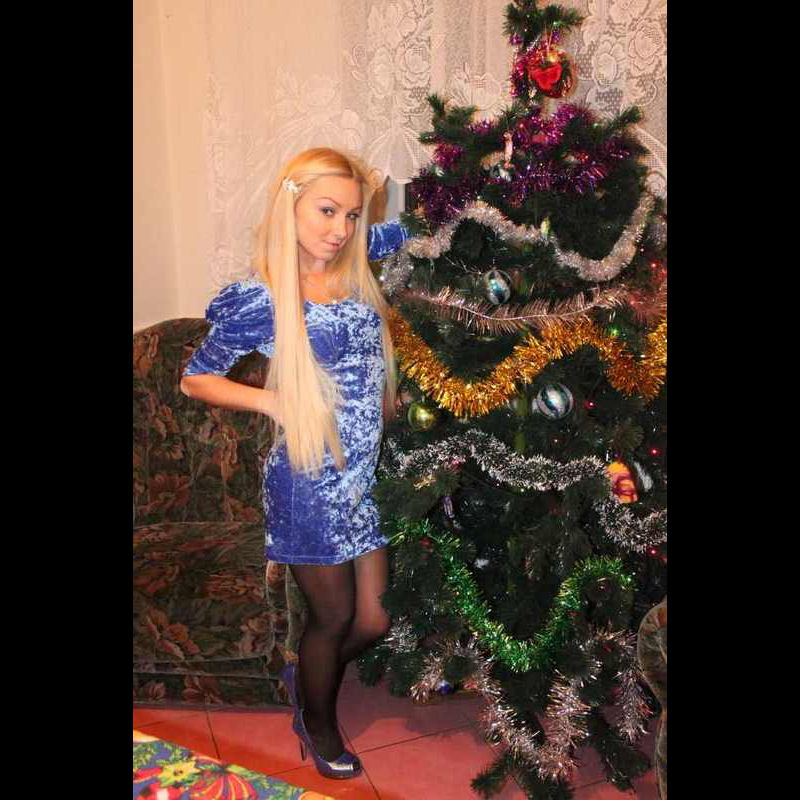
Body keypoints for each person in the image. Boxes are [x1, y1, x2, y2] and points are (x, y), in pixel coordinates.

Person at [180, 147, 408, 780]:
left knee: (376, 619)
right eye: (326, 211)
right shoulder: (262, 298)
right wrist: (273, 400)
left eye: (352, 215)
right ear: (291, 205)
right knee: (332, 618)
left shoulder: (356, 257)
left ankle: (309, 672)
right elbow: (195, 378)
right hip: (309, 481)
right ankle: (318, 721)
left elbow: (419, 227)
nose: (340, 229)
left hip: (361, 477)